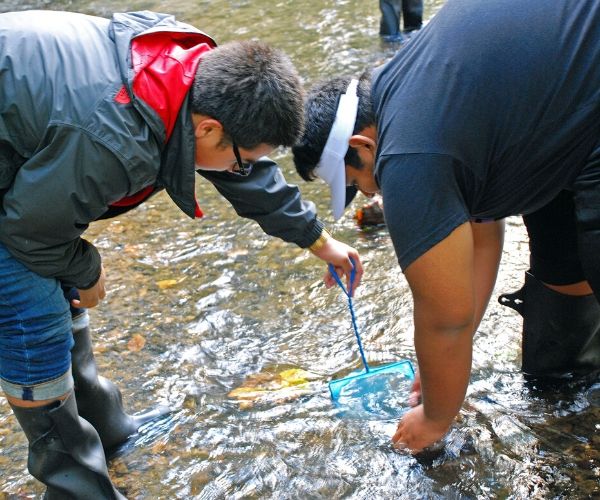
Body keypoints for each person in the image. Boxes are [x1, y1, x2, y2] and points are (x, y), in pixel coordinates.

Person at [0, 9, 362, 498]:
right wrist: (87, 269)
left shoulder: (187, 74)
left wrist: (320, 241)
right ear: (211, 130)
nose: (247, 167)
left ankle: (107, 430)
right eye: (247, 155)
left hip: (30, 134)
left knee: (58, 275)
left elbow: (242, 171)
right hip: (26, 192)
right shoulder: (115, 137)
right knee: (33, 310)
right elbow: (30, 233)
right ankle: (74, 486)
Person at [292, 0, 600, 454]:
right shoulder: (417, 90)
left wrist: (434, 417)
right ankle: (575, 390)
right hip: (566, 116)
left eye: (357, 179)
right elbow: (481, 237)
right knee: (561, 257)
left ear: (361, 143)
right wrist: (440, 371)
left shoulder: (406, 153)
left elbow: (444, 320)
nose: (371, 192)